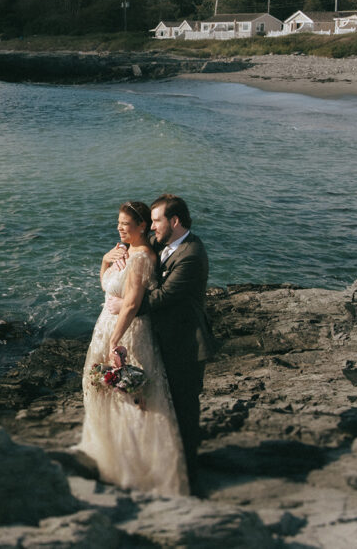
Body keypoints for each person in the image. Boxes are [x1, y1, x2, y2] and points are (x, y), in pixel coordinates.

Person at [74, 201, 190, 497]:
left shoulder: (140, 259)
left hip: (127, 333)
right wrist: (105, 260)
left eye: (125, 224)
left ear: (141, 226)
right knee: (106, 394)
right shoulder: (125, 253)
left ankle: (136, 468)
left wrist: (115, 340)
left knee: (133, 398)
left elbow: (131, 303)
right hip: (107, 328)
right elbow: (107, 286)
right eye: (118, 223)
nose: (119, 228)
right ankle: (111, 459)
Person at [104, 193, 214, 494]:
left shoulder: (191, 253)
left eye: (156, 221)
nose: (152, 227)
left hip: (186, 344)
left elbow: (163, 296)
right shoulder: (162, 244)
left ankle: (189, 480)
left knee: (184, 411)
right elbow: (140, 252)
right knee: (159, 407)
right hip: (161, 340)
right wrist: (119, 253)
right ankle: (163, 469)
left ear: (174, 221)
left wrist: (127, 305)